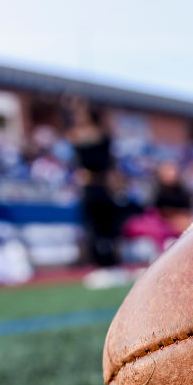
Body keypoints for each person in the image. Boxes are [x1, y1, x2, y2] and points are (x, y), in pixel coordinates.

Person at [66, 99, 121, 266]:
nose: (79, 117)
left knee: (108, 226)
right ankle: (97, 261)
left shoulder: (103, 134)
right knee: (93, 227)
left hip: (103, 186)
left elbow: (109, 161)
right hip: (89, 187)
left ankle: (112, 261)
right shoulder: (73, 135)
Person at [152, 161, 193, 234]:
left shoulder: (183, 191)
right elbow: (160, 212)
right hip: (165, 226)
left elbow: (189, 209)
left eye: (171, 170)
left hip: (185, 223)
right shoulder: (158, 192)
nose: (171, 173)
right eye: (167, 171)